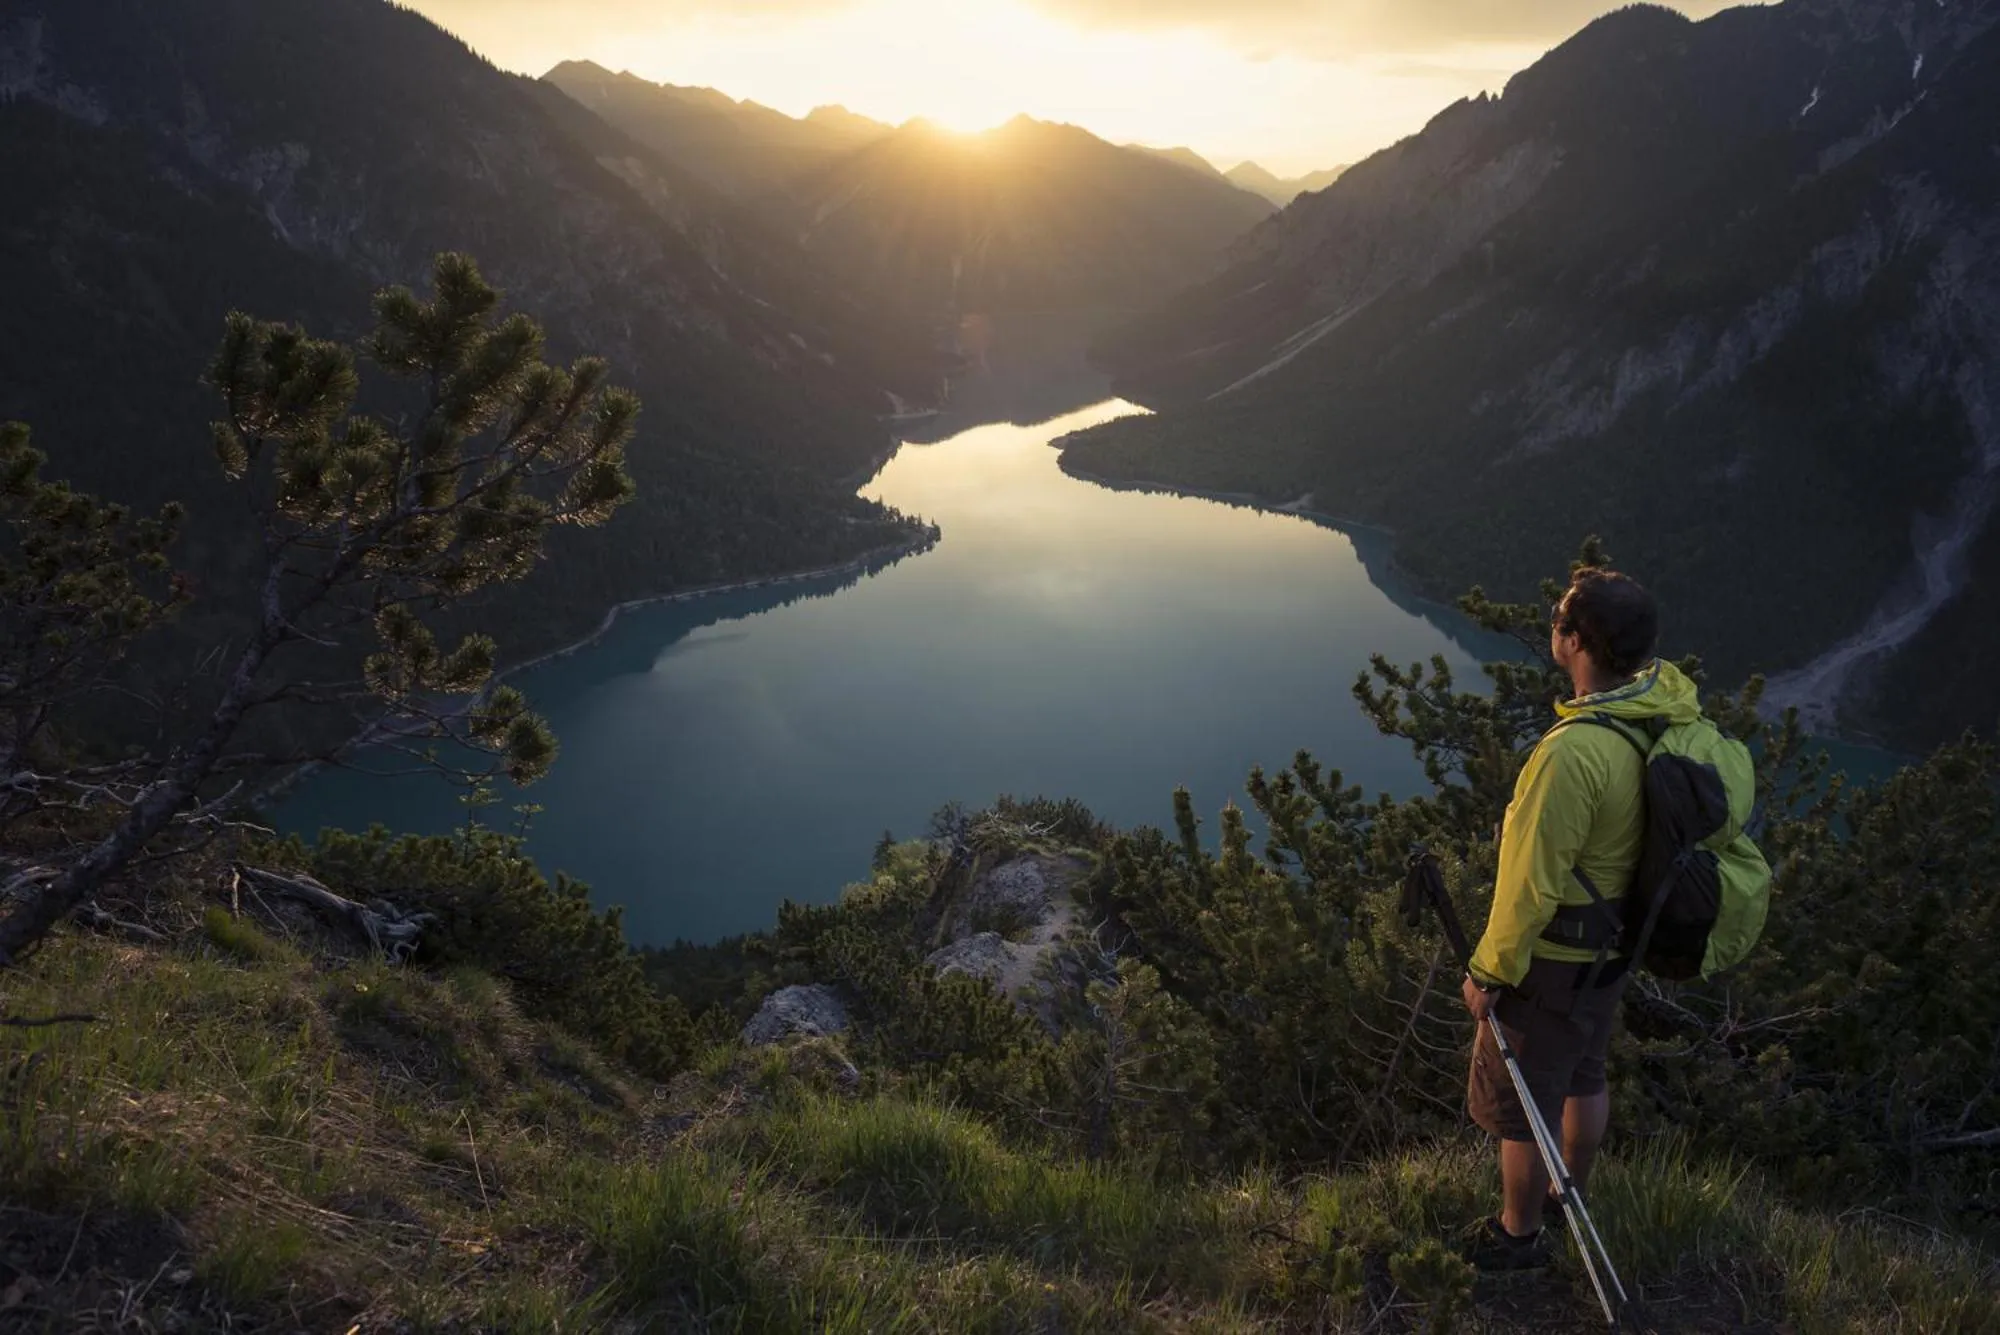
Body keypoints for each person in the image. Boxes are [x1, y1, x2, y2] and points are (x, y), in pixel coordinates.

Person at [1460, 566, 1703, 1271]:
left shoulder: (1571, 753)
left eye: (1559, 620)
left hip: (1556, 961)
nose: (1553, 629)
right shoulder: (1654, 720)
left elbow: (1530, 886)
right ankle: (1571, 1196)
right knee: (1584, 1072)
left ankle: (1518, 1235)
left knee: (1525, 1104)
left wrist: (1489, 972)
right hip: (1613, 949)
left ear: (1574, 641)